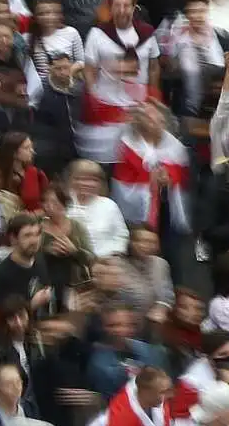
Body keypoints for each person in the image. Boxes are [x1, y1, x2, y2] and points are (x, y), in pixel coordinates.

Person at [111, 102, 190, 279]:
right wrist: (151, 179)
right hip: (137, 215)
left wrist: (169, 176)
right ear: (139, 122)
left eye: (158, 118)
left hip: (166, 210)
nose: (155, 121)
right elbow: (123, 181)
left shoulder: (175, 146)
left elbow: (182, 175)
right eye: (148, 116)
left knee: (170, 255)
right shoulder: (127, 145)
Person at [82, 0, 161, 164]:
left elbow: (154, 67)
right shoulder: (97, 34)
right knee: (107, 163)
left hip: (137, 111)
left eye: (126, 5)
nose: (122, 10)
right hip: (107, 111)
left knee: (136, 163)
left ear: (134, 8)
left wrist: (154, 95)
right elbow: (89, 69)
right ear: (110, 7)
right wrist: (93, 95)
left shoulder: (147, 34)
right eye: (117, 5)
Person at [86, 303, 166, 400]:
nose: (119, 330)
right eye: (112, 325)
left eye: (124, 325)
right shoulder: (99, 363)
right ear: (103, 328)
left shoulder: (148, 351)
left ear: (132, 327)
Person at [0, 212, 51, 318]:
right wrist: (31, 305)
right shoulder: (0, 275)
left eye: (37, 234)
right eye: (27, 235)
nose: (34, 240)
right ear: (13, 239)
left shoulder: (40, 260)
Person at [40, 182, 94, 312]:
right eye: (45, 202)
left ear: (64, 203)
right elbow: (27, 255)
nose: (49, 206)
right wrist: (46, 251)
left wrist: (74, 250)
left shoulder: (77, 227)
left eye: (54, 201)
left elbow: (91, 259)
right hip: (45, 282)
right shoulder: (37, 227)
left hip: (74, 284)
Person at [66, 159, 130, 258]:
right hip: (70, 260)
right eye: (82, 179)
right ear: (71, 180)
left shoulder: (109, 205)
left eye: (93, 180)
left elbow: (121, 236)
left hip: (105, 262)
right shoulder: (63, 202)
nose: (87, 184)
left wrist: (113, 255)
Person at [31, 52, 81, 178]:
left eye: (66, 68)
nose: (63, 72)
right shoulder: (40, 88)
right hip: (49, 144)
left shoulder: (79, 87)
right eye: (58, 68)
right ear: (49, 68)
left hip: (75, 144)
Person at [28, 0, 84, 81]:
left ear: (59, 15)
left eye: (51, 13)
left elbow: (81, 61)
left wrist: (67, 72)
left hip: (66, 84)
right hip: (42, 87)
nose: (47, 17)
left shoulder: (71, 32)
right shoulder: (29, 38)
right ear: (36, 17)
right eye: (41, 14)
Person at [0, 131, 47, 212]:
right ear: (13, 152)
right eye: (27, 148)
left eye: (31, 147)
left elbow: (47, 203)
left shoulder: (37, 174)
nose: (32, 151)